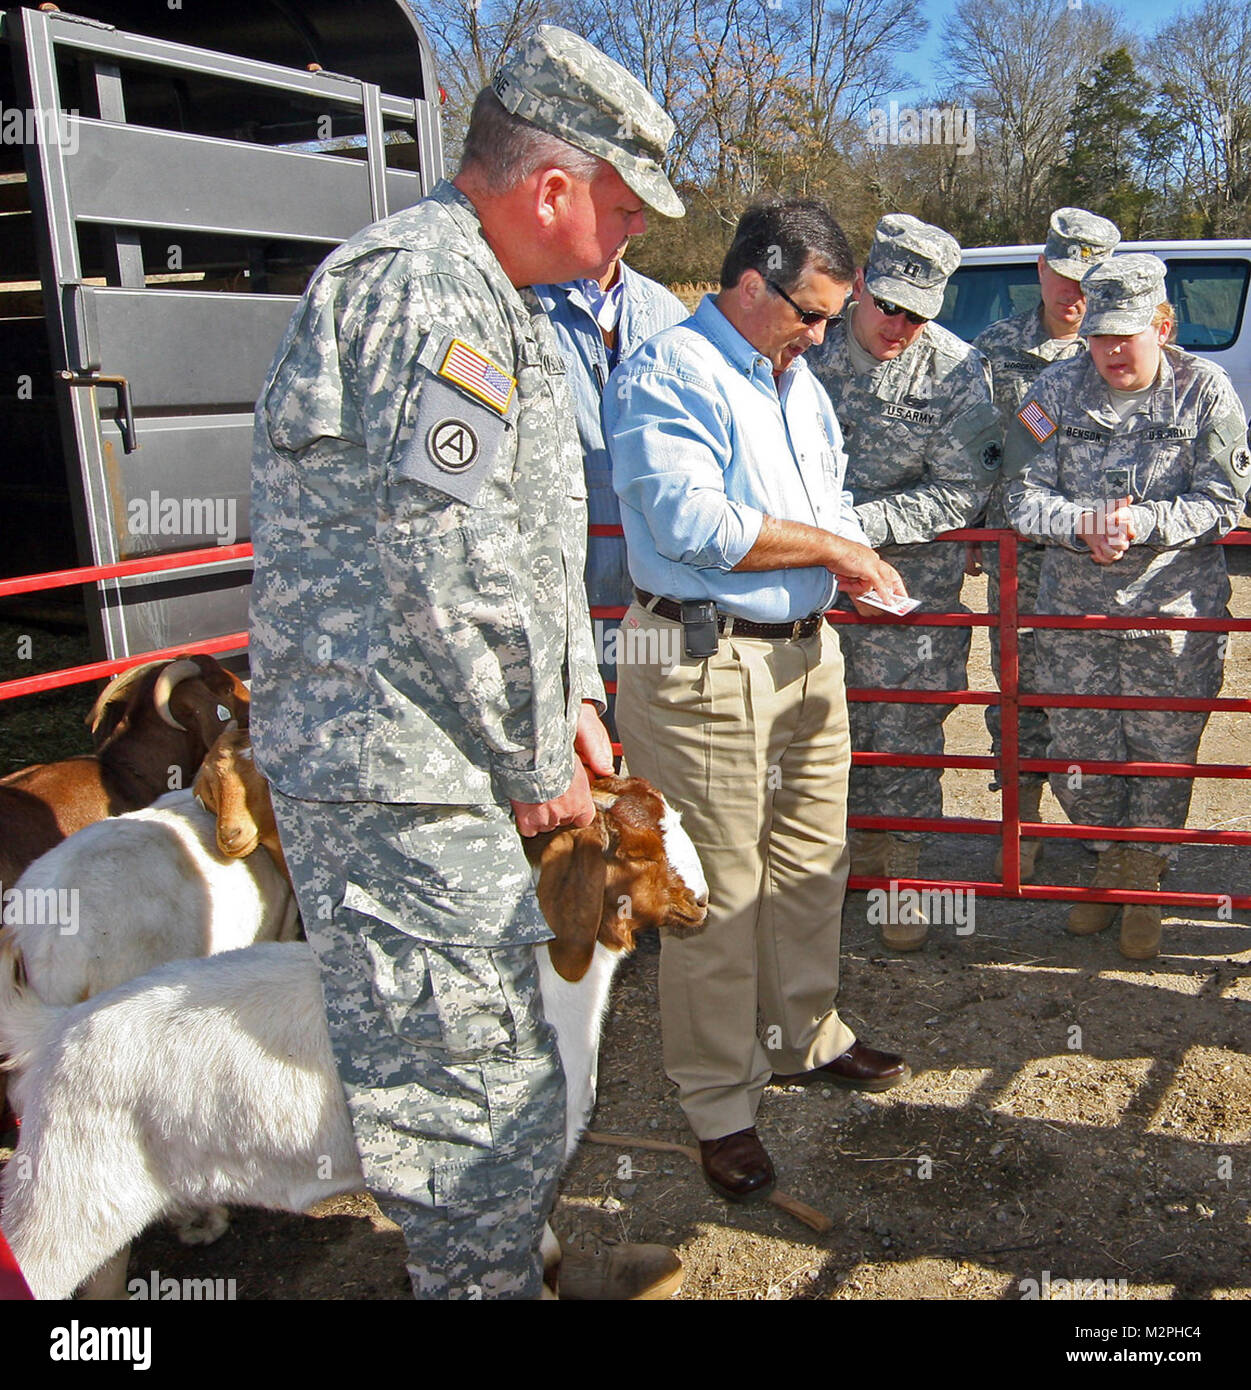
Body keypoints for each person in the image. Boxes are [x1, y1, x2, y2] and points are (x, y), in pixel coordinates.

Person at [248, 25, 688, 1300]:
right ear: (552, 189)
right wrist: (532, 748)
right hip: (402, 767)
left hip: (441, 755)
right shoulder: (425, 290)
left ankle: (513, 1263)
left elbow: (523, 547)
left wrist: (581, 705)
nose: (633, 237)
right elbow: (452, 569)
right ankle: (487, 1276)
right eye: (622, 206)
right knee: (465, 1083)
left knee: (500, 1061)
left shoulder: (489, 296)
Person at [604, 199, 913, 1205]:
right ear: (752, 284)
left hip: (804, 654)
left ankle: (803, 1034)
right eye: (811, 315)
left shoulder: (799, 384)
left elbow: (826, 505)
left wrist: (850, 558)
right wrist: (830, 550)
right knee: (719, 896)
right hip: (703, 662)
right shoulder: (667, 373)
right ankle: (719, 1103)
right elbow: (690, 521)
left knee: (811, 862)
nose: (825, 336)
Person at [1004, 254, 1250, 959]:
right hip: (1073, 612)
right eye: (1099, 335)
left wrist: (1143, 523)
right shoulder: (1054, 387)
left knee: (1162, 751)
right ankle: (1106, 858)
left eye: (1127, 335)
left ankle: (1143, 876)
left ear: (1162, 326)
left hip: (1171, 611)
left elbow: (1222, 500)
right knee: (1078, 751)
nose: (1110, 350)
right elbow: (1018, 497)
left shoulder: (1205, 390)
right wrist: (1082, 522)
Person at [810, 213, 997, 950]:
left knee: (907, 730)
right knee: (820, 731)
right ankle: (834, 870)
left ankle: (905, 876)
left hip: (905, 590)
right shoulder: (804, 344)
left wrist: (851, 525)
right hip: (804, 584)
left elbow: (961, 490)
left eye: (917, 314)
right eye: (887, 305)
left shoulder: (956, 370)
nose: (898, 326)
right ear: (858, 285)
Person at [973, 208, 1120, 879]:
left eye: (1088, 279)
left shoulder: (1122, 350)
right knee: (1018, 692)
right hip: (1021, 559)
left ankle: (1104, 834)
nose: (1074, 294)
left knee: (1096, 698)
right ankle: (1021, 824)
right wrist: (977, 525)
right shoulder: (996, 350)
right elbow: (980, 449)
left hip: (1102, 562)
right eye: (1062, 276)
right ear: (1040, 270)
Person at [533, 257, 686, 737]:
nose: (629, 223)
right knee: (570, 728)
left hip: (651, 587)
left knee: (644, 725)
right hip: (564, 579)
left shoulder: (663, 309)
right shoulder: (524, 300)